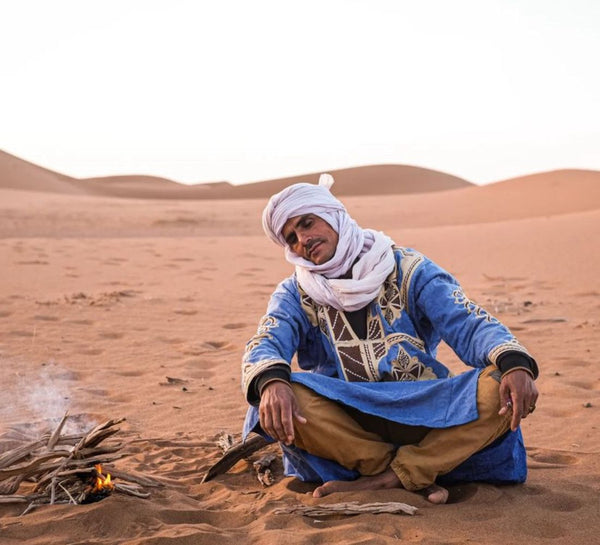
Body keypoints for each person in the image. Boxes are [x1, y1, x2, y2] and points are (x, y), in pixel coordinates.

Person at [241, 174, 539, 504]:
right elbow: (267, 340)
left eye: (307, 223)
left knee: (500, 383)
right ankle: (408, 472)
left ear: (334, 214)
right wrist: (270, 383)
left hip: (427, 408)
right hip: (346, 418)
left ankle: (387, 477)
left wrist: (514, 362)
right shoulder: (296, 294)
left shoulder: (408, 268)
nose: (303, 240)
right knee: (278, 392)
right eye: (292, 238)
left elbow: (466, 321)